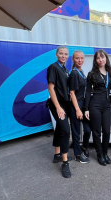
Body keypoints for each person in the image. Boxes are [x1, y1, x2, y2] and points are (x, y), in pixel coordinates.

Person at [84, 49, 111, 166]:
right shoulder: (92, 74)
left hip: (107, 105)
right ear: (95, 60)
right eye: (98, 58)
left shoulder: (110, 72)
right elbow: (87, 92)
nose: (101, 60)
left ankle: (105, 153)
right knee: (97, 132)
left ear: (106, 58)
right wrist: (86, 108)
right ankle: (99, 154)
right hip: (95, 104)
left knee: (106, 131)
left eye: (103, 57)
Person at [47, 46, 72, 178]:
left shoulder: (65, 69)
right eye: (61, 53)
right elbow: (51, 89)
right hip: (58, 105)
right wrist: (58, 107)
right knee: (65, 130)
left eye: (65, 54)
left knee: (59, 128)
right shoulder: (53, 67)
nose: (63, 56)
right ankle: (65, 162)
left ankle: (57, 154)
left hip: (65, 104)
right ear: (57, 54)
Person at [69, 50, 91, 164]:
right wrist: (77, 109)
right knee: (76, 131)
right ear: (73, 59)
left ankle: (84, 147)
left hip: (83, 104)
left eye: (82, 58)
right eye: (77, 58)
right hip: (76, 105)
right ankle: (78, 154)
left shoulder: (81, 72)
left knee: (87, 129)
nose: (80, 60)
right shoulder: (74, 73)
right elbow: (72, 93)